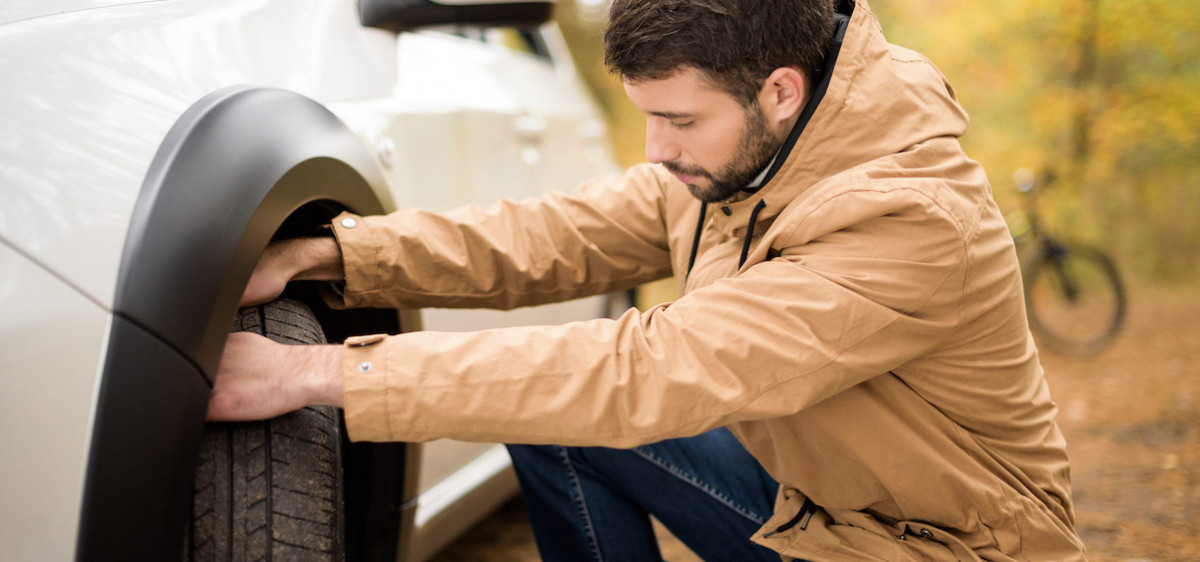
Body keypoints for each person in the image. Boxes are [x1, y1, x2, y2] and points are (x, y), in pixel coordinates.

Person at [208, 0, 1087, 559]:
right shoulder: (742, 160)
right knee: (548, 418)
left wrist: (314, 373)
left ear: (780, 90)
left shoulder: (911, 220)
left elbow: (654, 370)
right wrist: (332, 254)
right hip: (817, 508)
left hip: (930, 547)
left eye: (676, 120)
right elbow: (551, 236)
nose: (655, 150)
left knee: (587, 395)